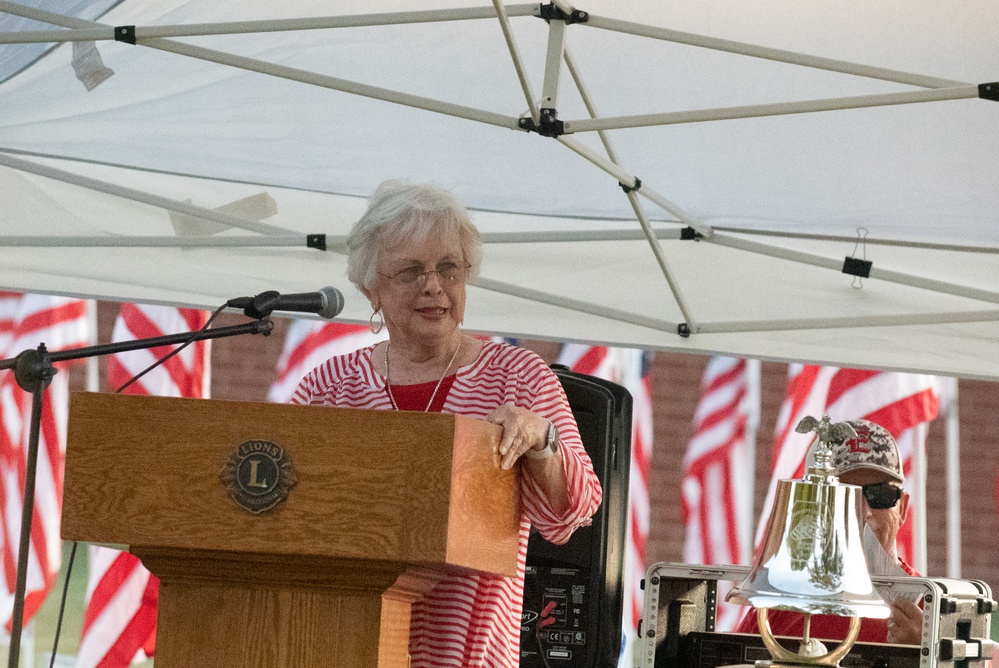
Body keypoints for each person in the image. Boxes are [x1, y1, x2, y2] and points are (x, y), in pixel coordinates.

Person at [291, 179, 603, 667]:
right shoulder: (328, 388)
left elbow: (571, 515)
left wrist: (543, 440)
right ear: (371, 287)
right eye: (411, 271)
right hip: (343, 647)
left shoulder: (517, 377)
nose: (433, 286)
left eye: (448, 269)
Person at [736, 418, 923, 646]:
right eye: (842, 494)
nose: (862, 511)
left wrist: (924, 655)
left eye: (879, 495)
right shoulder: (778, 602)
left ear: (902, 508)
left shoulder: (931, 609)